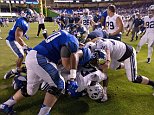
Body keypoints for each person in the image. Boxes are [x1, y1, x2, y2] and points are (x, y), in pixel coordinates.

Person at [0, 30, 79, 115]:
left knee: (30, 90)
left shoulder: (63, 34)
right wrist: (73, 76)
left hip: (32, 56)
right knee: (59, 84)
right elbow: (66, 63)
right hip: (41, 58)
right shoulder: (73, 41)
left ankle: (6, 105)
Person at [86, 37, 154, 88]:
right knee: (113, 67)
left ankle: (152, 83)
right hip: (117, 54)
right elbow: (98, 38)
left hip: (128, 54)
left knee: (133, 78)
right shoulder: (97, 43)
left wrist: (98, 68)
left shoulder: (103, 49)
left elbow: (106, 66)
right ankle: (127, 67)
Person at [3, 9, 33, 79]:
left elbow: (19, 33)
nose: (31, 17)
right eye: (31, 16)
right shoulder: (23, 23)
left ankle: (20, 66)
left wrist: (24, 35)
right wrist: (25, 46)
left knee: (24, 53)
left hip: (15, 39)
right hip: (12, 40)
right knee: (21, 55)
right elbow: (17, 37)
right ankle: (17, 70)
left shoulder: (21, 20)